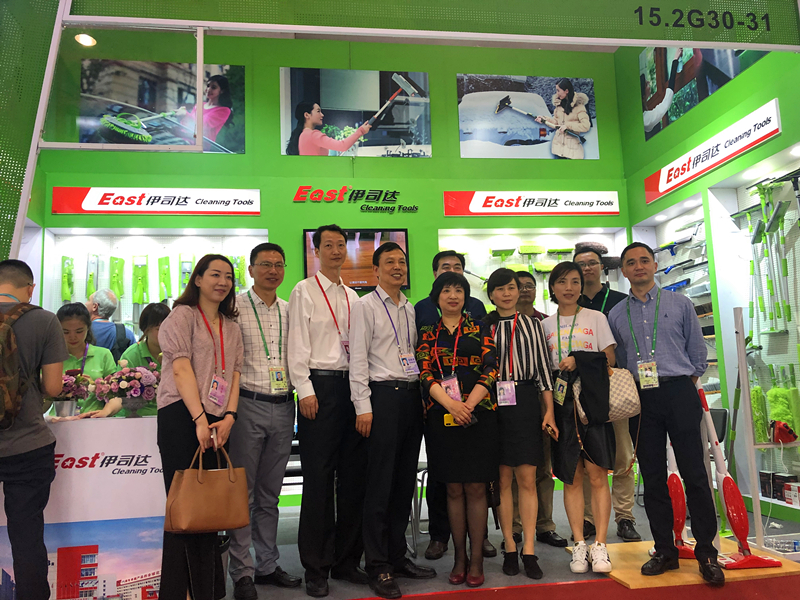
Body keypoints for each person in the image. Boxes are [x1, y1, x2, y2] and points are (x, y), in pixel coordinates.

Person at [607, 243, 724, 586]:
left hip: (679, 392)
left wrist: (681, 383)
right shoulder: (616, 314)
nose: (639, 266)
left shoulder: (680, 304)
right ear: (624, 271)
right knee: (653, 476)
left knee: (695, 474)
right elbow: (620, 358)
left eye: (644, 260)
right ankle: (664, 551)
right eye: (631, 263)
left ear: (655, 265)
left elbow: (697, 353)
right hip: (642, 400)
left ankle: (707, 553)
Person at [349, 242, 435, 599]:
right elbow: (357, 360)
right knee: (380, 485)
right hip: (381, 398)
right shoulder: (365, 306)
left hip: (410, 398)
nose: (398, 267)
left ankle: (398, 557)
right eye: (390, 262)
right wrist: (363, 407)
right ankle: (378, 565)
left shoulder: (409, 308)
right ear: (376, 270)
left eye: (402, 261)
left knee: (403, 482)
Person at [156, 254, 244, 600]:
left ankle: (207, 590)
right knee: (184, 510)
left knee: (210, 511)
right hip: (183, 416)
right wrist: (198, 419)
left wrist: (230, 416)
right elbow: (181, 369)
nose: (222, 282)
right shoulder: (182, 316)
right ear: (197, 279)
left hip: (219, 420)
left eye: (228, 277)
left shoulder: (231, 326)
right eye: (215, 275)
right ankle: (178, 592)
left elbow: (234, 374)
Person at [288, 224, 367, 597]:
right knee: (319, 480)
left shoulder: (354, 296)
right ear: (316, 251)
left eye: (341, 245)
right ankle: (316, 567)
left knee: (353, 478)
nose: (336, 250)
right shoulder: (304, 290)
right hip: (319, 388)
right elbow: (296, 345)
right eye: (328, 245)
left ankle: (347, 561)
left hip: (354, 388)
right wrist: (304, 389)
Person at [227, 243, 301, 600]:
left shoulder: (291, 310)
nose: (273, 270)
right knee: (242, 492)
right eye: (266, 264)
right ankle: (242, 572)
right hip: (247, 405)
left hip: (285, 407)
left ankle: (268, 565)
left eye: (279, 264)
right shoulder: (234, 308)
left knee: (271, 493)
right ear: (251, 269)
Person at [416, 272, 498, 588]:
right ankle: (459, 558)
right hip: (442, 416)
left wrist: (469, 404)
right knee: (452, 488)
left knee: (476, 488)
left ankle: (476, 560)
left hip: (479, 415)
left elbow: (491, 368)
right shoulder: (427, 333)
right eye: (446, 290)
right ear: (437, 297)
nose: (453, 295)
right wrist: (452, 405)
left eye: (459, 290)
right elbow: (425, 373)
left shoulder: (480, 327)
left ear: (466, 297)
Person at [541, 262, 616, 574]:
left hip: (593, 402)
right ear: (553, 288)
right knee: (570, 477)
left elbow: (610, 357)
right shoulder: (545, 325)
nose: (569, 288)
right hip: (561, 406)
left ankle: (600, 545)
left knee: (598, 475)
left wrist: (578, 360)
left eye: (574, 281)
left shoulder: (596, 318)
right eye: (562, 282)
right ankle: (579, 544)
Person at [0, 260, 67, 600]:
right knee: (27, 536)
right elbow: (53, 387)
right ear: (30, 288)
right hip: (28, 446)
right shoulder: (44, 320)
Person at [483, 269, 556, 580]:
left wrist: (548, 411)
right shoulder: (483, 326)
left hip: (525, 401)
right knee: (502, 480)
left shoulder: (533, 324)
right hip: (493, 403)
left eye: (511, 287)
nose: (506, 293)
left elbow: (544, 370)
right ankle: (510, 546)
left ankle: (529, 549)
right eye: (499, 289)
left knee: (527, 478)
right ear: (491, 294)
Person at [574, 247, 641, 543]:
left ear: (602, 267)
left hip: (615, 388)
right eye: (581, 265)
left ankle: (625, 517)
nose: (587, 268)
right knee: (589, 458)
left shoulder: (620, 302)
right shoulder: (570, 304)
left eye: (592, 263)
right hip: (582, 392)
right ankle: (589, 518)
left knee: (623, 455)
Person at [512, 271, 569, 550]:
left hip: (543, 397)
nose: (524, 290)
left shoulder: (544, 323)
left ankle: (545, 525)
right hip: (511, 400)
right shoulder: (496, 322)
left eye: (529, 286)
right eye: (518, 286)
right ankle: (515, 527)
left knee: (543, 465)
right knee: (514, 466)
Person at [57, 303, 117, 416]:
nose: (73, 337)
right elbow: (42, 403)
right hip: (60, 420)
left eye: (79, 331)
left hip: (94, 418)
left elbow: (116, 395)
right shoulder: (53, 357)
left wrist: (98, 389)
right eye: (65, 332)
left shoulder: (103, 355)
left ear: (88, 328)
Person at [117, 302, 171, 417]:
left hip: (171, 414)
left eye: (169, 328)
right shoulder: (131, 355)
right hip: (139, 417)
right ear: (146, 330)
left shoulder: (177, 353)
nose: (166, 333)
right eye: (159, 329)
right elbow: (119, 394)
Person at [285, 101, 371, 156]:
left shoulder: (302, 135)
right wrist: (361, 131)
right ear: (307, 115)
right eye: (318, 111)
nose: (322, 115)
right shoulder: (313, 135)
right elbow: (342, 146)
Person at [535, 78, 591, 160]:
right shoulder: (559, 105)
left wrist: (568, 126)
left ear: (566, 91)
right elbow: (556, 123)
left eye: (558, 90)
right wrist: (544, 119)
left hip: (572, 153)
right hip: (558, 151)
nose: (557, 93)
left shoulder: (579, 107)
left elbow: (586, 126)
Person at [178, 75, 233, 143]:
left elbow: (202, 126)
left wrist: (185, 114)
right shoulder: (200, 105)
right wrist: (182, 116)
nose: (208, 89)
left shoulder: (223, 111)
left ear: (222, 91)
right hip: (183, 139)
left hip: (199, 145)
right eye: (208, 86)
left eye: (213, 87)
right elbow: (188, 125)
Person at [86, 288, 136, 360]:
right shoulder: (126, 334)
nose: (85, 304)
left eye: (88, 300)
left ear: (95, 306)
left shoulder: (82, 331)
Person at [643, 49, 684, 136]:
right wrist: (675, 61)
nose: (649, 83)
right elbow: (666, 102)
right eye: (646, 84)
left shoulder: (644, 118)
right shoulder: (645, 120)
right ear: (642, 95)